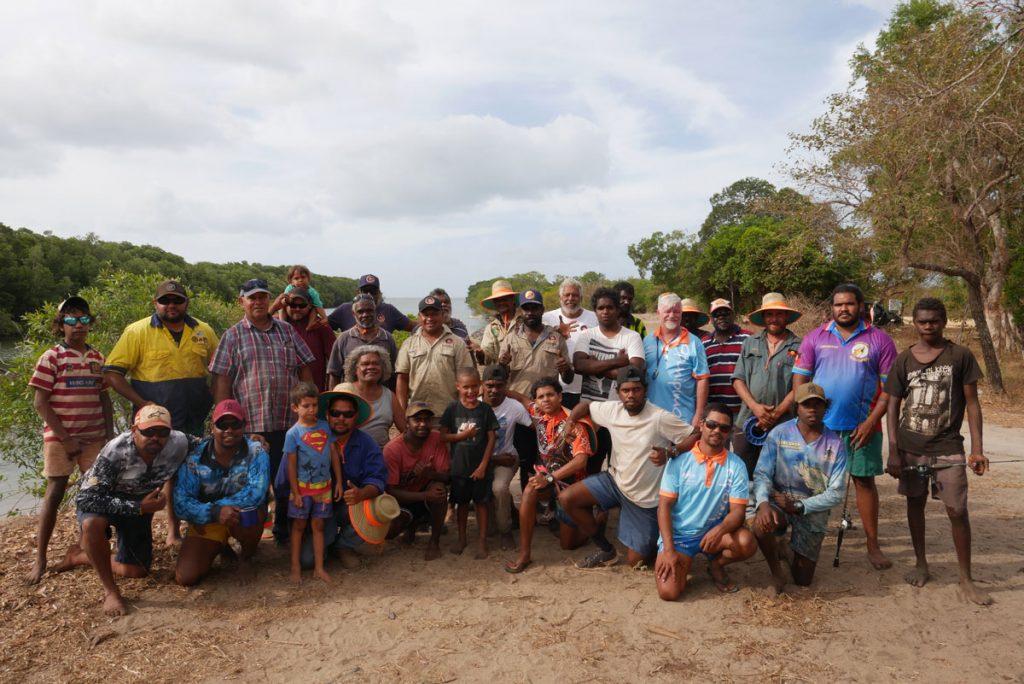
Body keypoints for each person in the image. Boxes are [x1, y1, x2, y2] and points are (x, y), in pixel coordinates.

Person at [884, 297, 991, 605]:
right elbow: (892, 406)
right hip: (910, 446)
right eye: (922, 321)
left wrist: (978, 450)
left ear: (944, 321)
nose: (928, 326)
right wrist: (893, 451)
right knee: (914, 504)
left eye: (934, 320)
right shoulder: (904, 359)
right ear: (914, 324)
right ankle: (921, 562)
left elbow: (972, 404)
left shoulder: (960, 355)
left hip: (948, 446)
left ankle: (966, 578)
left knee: (957, 509)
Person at [103, 280, 219, 546]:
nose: (171, 305)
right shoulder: (137, 331)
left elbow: (220, 369)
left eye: (177, 300)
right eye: (165, 301)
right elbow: (112, 374)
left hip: (194, 416)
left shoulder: (203, 330)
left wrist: (216, 399)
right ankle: (171, 531)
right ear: (155, 303)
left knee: (192, 471)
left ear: (186, 303)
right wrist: (142, 403)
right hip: (155, 423)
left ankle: (196, 526)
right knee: (161, 473)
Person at [792, 283, 897, 570]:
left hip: (862, 427)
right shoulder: (815, 337)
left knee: (863, 482)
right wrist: (802, 417)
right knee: (812, 482)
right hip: (820, 425)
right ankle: (806, 540)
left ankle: (872, 545)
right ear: (832, 307)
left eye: (849, 304)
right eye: (838, 304)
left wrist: (871, 421)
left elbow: (890, 390)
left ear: (861, 306)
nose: (844, 309)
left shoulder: (880, 340)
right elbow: (800, 379)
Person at [209, 278, 316, 544]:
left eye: (262, 297)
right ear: (241, 301)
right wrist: (225, 422)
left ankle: (283, 530)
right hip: (250, 425)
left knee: (287, 480)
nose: (258, 302)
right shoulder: (232, 336)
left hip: (288, 421)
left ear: (270, 299)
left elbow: (305, 367)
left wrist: (308, 407)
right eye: (252, 297)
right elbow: (222, 379)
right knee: (250, 483)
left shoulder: (287, 331)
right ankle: (249, 536)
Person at [559, 366, 696, 570]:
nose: (631, 395)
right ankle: (606, 549)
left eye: (636, 389)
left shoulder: (659, 417)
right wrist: (570, 421)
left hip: (645, 498)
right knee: (566, 498)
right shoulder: (613, 410)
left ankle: (659, 532)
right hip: (615, 481)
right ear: (618, 393)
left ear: (645, 390)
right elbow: (586, 405)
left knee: (636, 562)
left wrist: (670, 452)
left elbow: (694, 435)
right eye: (626, 390)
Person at [62, 406, 195, 616]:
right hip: (105, 499)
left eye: (162, 432)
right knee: (92, 524)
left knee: (137, 571)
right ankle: (111, 591)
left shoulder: (179, 441)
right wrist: (139, 507)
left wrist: (251, 441)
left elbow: (212, 444)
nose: (156, 438)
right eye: (148, 432)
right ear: (134, 430)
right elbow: (87, 499)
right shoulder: (116, 451)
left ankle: (79, 556)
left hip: (138, 504)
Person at [27, 296, 114, 584]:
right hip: (59, 436)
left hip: (93, 437)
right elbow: (41, 403)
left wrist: (109, 435)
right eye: (72, 320)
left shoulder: (96, 357)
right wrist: (65, 439)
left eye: (84, 319)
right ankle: (40, 557)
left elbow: (104, 398)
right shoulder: (51, 357)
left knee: (94, 494)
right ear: (61, 324)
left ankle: (83, 546)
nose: (79, 326)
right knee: (55, 492)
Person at [751, 383, 847, 596]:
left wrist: (799, 505)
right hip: (779, 502)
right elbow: (762, 473)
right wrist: (763, 503)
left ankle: (786, 548)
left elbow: (836, 493)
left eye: (818, 405)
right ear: (797, 408)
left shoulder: (836, 444)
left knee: (803, 580)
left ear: (826, 408)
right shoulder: (779, 433)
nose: (812, 409)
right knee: (761, 523)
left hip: (812, 509)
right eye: (806, 405)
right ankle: (776, 572)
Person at [654, 403, 757, 600]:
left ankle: (716, 564)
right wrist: (668, 550)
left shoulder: (736, 465)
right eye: (711, 424)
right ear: (701, 425)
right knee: (669, 593)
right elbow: (664, 507)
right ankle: (682, 558)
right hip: (680, 537)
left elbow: (738, 512)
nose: (717, 431)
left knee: (746, 543)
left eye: (724, 428)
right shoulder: (679, 461)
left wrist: (719, 530)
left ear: (730, 432)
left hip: (714, 533)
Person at [173, 399, 270, 586]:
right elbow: (181, 502)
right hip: (209, 519)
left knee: (253, 513)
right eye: (222, 425)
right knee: (186, 577)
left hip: (240, 516)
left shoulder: (257, 452)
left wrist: (221, 509)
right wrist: (213, 513)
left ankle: (246, 557)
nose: (229, 430)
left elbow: (257, 492)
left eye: (236, 424)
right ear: (212, 427)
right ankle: (221, 545)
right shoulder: (195, 457)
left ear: (244, 426)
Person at [504, 377, 593, 574]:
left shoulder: (573, 423)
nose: (546, 400)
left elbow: (581, 461)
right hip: (549, 481)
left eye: (551, 394)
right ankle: (524, 554)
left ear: (560, 396)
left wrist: (550, 478)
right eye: (541, 397)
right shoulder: (536, 411)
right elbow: (520, 398)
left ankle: (595, 522)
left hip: (572, 485)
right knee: (529, 490)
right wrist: (501, 392)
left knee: (567, 545)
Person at [573, 287, 645, 472]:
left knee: (620, 467)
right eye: (600, 308)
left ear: (617, 309)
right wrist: (618, 361)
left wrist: (596, 366)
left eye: (610, 307)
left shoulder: (631, 337)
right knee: (590, 466)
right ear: (595, 311)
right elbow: (579, 366)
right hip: (591, 413)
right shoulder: (586, 336)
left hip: (621, 413)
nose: (605, 312)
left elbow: (634, 372)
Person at [732, 293, 803, 478]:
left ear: (786, 317)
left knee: (779, 478)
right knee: (742, 476)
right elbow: (738, 379)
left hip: (783, 424)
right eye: (769, 314)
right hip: (747, 420)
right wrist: (755, 408)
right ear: (763, 317)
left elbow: (800, 385)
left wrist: (776, 413)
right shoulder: (749, 343)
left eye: (779, 314)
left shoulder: (799, 346)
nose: (774, 318)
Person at [284, 382, 341, 583]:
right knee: (299, 526)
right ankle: (295, 568)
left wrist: (339, 482)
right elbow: (290, 465)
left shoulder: (325, 426)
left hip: (324, 488)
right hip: (302, 489)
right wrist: (295, 492)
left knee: (318, 526)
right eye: (306, 406)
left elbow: (334, 454)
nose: (311, 410)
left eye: (315, 405)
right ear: (295, 407)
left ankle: (319, 568)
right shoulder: (293, 434)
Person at [440, 367, 499, 559]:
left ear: (480, 386)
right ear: (458, 386)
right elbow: (443, 436)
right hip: (459, 467)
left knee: (482, 504)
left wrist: (483, 466)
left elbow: (491, 439)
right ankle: (462, 538)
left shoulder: (485, 410)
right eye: (466, 387)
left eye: (475, 386)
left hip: (481, 468)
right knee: (462, 504)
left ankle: (482, 541)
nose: (471, 391)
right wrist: (462, 435)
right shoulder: (452, 409)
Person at [384, 402, 451, 561]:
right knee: (389, 533)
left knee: (440, 490)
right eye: (417, 419)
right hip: (403, 499)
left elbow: (447, 477)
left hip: (425, 490)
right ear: (406, 423)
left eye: (427, 420)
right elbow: (391, 491)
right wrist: (426, 496)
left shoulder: (436, 438)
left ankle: (434, 542)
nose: (423, 424)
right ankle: (413, 523)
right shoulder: (392, 450)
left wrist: (430, 474)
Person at [480, 364, 532, 549]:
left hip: (508, 458)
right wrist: (493, 459)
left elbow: (536, 424)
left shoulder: (513, 407)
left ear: (506, 386)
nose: (494, 390)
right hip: (484, 461)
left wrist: (520, 397)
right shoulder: (474, 406)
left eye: (499, 386)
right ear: (482, 385)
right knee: (488, 523)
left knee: (499, 488)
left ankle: (506, 531)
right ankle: (508, 513)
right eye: (490, 385)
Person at [395, 294, 474, 416]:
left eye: (434, 314)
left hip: (449, 415)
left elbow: (466, 380)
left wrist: (464, 413)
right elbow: (402, 379)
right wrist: (402, 413)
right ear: (419, 317)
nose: (430, 318)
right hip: (417, 416)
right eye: (426, 315)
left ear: (442, 315)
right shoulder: (408, 344)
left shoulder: (458, 343)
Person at [643, 292, 710, 426]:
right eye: (667, 311)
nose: (672, 315)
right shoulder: (648, 340)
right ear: (658, 313)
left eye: (677, 312)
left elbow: (703, 379)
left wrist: (699, 414)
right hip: (651, 418)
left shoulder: (694, 342)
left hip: (682, 418)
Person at [497, 288, 573, 396]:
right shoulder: (510, 339)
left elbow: (568, 380)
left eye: (534, 308)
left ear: (542, 309)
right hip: (517, 403)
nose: (530, 313)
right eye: (526, 309)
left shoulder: (557, 338)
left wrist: (565, 369)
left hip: (547, 403)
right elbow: (500, 377)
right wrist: (502, 364)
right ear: (520, 311)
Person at [541, 278, 599, 408]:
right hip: (556, 389)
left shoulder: (594, 318)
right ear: (560, 297)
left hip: (587, 388)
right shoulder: (547, 318)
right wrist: (557, 332)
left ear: (581, 298)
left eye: (575, 295)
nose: (571, 298)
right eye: (567, 295)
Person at [326, 293, 399, 389]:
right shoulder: (344, 338)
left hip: (381, 398)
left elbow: (394, 375)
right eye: (360, 311)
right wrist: (334, 400)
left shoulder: (387, 338)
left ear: (375, 311)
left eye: (369, 310)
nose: (365, 315)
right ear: (353, 314)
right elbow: (334, 373)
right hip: (351, 399)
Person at [339, 345, 406, 447]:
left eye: (376, 364)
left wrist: (392, 447)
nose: (371, 367)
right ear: (355, 369)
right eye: (365, 364)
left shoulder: (389, 396)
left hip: (380, 455)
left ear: (383, 368)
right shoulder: (344, 390)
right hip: (348, 453)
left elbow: (405, 430)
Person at [699, 298, 751, 419]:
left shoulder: (749, 338)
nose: (722, 317)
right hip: (713, 411)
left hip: (742, 410)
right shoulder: (703, 343)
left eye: (726, 313)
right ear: (711, 319)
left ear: (733, 315)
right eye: (717, 315)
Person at [281, 286, 336, 391]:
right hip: (283, 394)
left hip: (314, 396)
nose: (297, 309)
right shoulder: (275, 326)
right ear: (285, 305)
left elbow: (335, 363)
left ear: (310, 306)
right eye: (293, 305)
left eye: (302, 305)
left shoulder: (320, 326)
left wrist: (330, 391)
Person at [327, 273, 414, 333]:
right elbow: (322, 326)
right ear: (358, 292)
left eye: (373, 291)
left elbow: (413, 326)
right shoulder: (344, 309)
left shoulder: (389, 310)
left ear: (379, 293)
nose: (369, 295)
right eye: (365, 291)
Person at [270, 265, 328, 329]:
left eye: (303, 277)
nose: (300, 280)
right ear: (291, 281)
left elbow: (318, 305)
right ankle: (283, 324)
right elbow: (283, 301)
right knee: (281, 308)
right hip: (289, 304)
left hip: (309, 309)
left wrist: (324, 317)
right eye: (296, 278)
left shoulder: (312, 292)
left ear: (308, 278)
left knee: (314, 308)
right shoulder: (289, 288)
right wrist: (288, 299)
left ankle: (310, 325)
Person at [475, 280, 520, 364]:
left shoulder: (525, 322)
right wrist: (480, 353)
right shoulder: (491, 328)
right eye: (497, 300)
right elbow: (488, 356)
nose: (501, 302)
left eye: (504, 299)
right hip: (502, 375)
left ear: (512, 299)